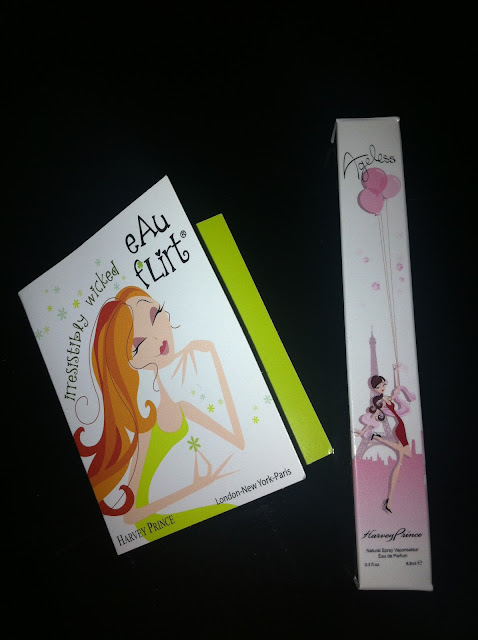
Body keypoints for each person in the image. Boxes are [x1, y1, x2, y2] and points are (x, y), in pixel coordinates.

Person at [74, 286, 245, 540]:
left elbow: (238, 440)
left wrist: (211, 353)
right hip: (155, 526)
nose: (156, 339)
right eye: (139, 343)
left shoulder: (183, 408)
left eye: (155, 314)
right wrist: (195, 487)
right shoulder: (144, 424)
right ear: (128, 360)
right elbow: (131, 515)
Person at [355, 374, 411, 513]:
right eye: (378, 386)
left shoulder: (388, 398)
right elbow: (374, 417)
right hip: (399, 428)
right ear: (374, 388)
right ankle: (378, 438)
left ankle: (389, 502)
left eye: (383, 385)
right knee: (403, 456)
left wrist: (396, 371)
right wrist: (363, 431)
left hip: (401, 426)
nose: (382, 388)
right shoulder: (381, 402)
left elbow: (398, 387)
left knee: (403, 459)